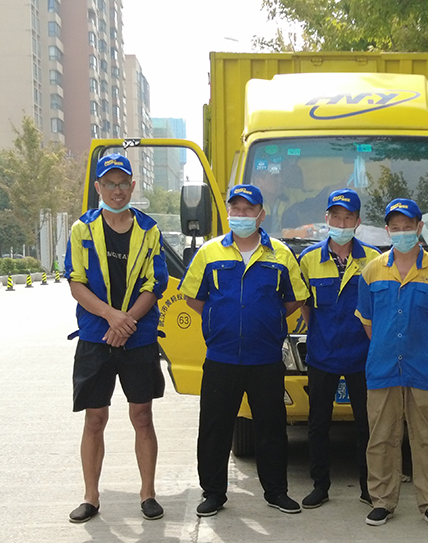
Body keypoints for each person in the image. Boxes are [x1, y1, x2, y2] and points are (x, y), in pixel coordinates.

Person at [179, 183, 309, 517]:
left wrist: (267, 319)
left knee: (271, 427)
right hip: (221, 357)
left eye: (248, 209)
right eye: (235, 209)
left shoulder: (280, 254)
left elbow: (295, 298)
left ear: (261, 215)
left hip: (265, 358)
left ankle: (276, 491)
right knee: (215, 428)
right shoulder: (210, 253)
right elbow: (193, 296)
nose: (241, 215)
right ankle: (213, 493)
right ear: (228, 213)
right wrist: (219, 319)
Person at [65, 153, 169, 523]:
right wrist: (112, 317)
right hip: (96, 336)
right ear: (98, 187)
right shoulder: (82, 229)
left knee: (142, 415)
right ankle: (91, 497)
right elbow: (76, 282)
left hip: (138, 337)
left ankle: (148, 493)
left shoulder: (149, 230)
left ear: (132, 186)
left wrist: (127, 322)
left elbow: (155, 283)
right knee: (95, 418)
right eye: (109, 184)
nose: (117, 190)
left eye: (123, 183)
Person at [355, 198, 428, 530]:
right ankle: (382, 501)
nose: (402, 232)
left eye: (408, 226)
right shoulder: (372, 270)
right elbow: (368, 323)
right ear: (387, 231)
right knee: (381, 438)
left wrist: (419, 342)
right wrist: (390, 343)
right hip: (383, 367)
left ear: (420, 228)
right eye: (396, 227)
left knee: (427, 438)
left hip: (423, 367)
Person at [297, 189, 381, 509]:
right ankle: (320, 485)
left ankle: (368, 486)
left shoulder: (373, 258)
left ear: (357, 221)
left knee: (367, 424)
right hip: (323, 354)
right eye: (336, 216)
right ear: (326, 218)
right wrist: (322, 332)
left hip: (362, 355)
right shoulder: (309, 259)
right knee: (318, 423)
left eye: (348, 217)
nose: (341, 223)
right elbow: (306, 305)